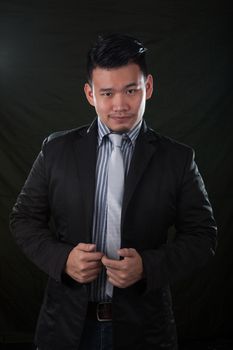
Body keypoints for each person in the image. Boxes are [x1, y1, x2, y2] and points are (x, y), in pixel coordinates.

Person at [10, 33, 217, 350]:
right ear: (90, 94)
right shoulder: (56, 150)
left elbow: (203, 236)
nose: (120, 104)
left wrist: (148, 267)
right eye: (107, 93)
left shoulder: (178, 159)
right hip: (66, 329)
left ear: (147, 87)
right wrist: (63, 259)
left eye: (131, 90)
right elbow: (23, 219)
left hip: (145, 331)